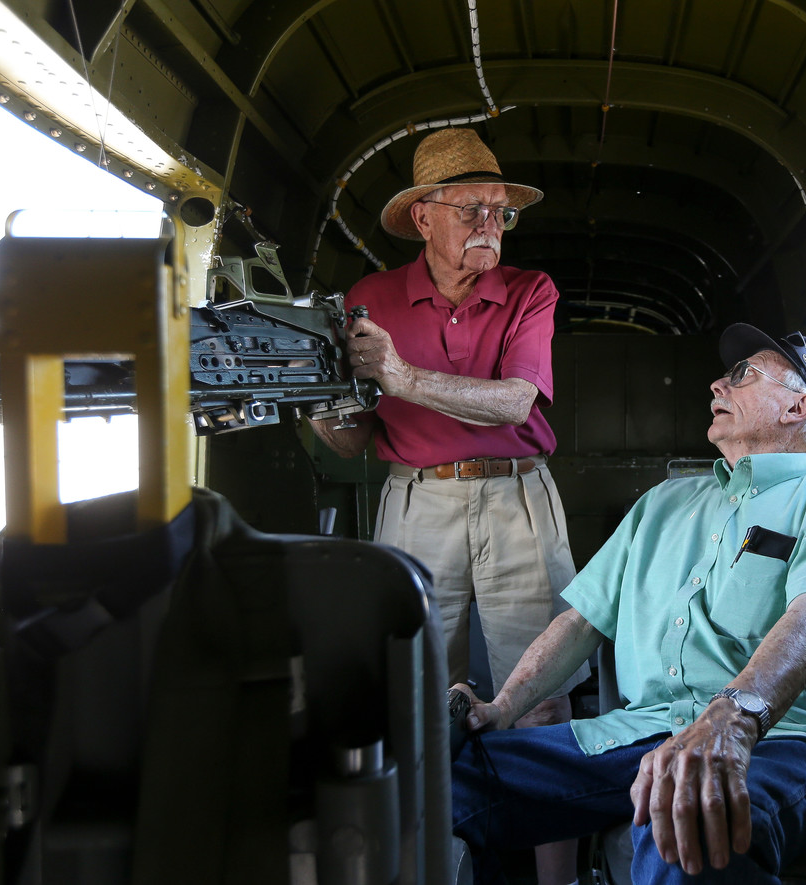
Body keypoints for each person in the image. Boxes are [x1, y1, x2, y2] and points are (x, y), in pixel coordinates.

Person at [451, 324, 806, 884]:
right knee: (441, 777)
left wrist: (733, 721)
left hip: (785, 738)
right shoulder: (663, 502)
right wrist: (503, 709)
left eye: (741, 376)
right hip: (642, 730)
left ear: (798, 406)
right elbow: (582, 621)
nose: (716, 385)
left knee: (693, 827)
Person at [308, 127, 588, 885]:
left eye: (500, 212)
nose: (490, 227)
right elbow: (350, 440)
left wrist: (398, 374)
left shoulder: (531, 290)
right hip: (415, 502)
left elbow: (514, 402)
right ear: (423, 217)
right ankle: (442, 867)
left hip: (517, 500)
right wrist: (317, 393)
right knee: (417, 697)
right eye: (472, 211)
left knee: (542, 698)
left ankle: (556, 881)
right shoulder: (369, 299)